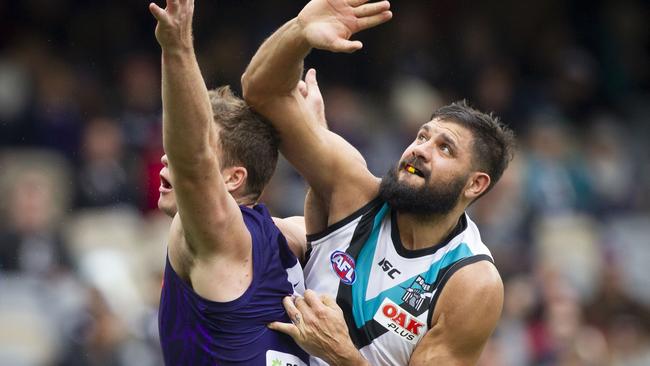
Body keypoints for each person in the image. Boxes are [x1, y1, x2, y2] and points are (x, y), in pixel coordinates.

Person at [242, 0, 516, 365]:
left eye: (444, 148)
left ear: (475, 184)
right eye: (422, 136)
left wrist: (341, 354)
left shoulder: (470, 281)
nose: (420, 150)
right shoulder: (354, 190)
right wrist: (298, 32)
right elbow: (262, 92)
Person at [149, 0, 309, 364]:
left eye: (179, 151)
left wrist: (177, 47)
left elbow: (193, 161)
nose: (166, 158)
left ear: (233, 178)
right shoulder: (293, 235)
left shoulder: (220, 235)